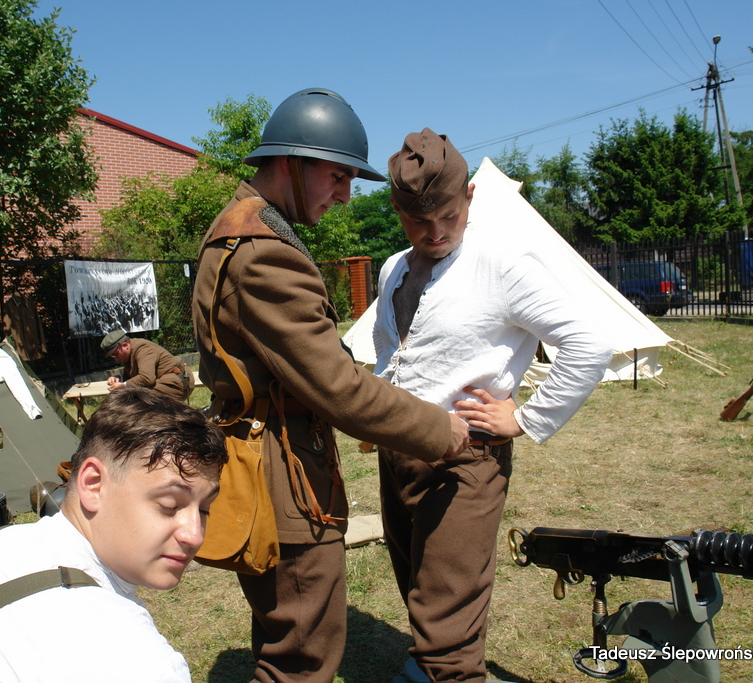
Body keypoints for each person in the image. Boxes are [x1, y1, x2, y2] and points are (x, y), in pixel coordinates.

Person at [191, 89, 470, 683]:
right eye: (337, 175)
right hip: (284, 477)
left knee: (286, 636)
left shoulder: (242, 228)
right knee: (300, 656)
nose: (345, 194)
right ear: (289, 162)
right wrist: (438, 428)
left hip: (272, 457)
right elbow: (337, 386)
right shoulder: (265, 253)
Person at [373, 129, 612, 682]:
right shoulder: (392, 269)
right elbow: (389, 347)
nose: (436, 232)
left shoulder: (503, 264)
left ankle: (448, 672)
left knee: (447, 602)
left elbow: (588, 343)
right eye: (419, 221)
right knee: (417, 582)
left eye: (449, 216)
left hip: (465, 458)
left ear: (470, 197)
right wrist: (381, 408)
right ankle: (429, 667)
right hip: (398, 452)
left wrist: (526, 418)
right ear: (398, 211)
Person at [0, 388, 227, 682]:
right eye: (169, 504)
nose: (195, 535)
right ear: (93, 484)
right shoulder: (139, 660)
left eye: (205, 509)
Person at [102, 328, 193, 402]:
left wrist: (124, 385)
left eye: (115, 354)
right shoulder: (128, 354)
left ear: (125, 345)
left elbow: (147, 378)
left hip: (179, 381)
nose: (115, 358)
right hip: (164, 380)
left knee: (138, 398)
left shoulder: (142, 349)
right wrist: (120, 378)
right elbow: (133, 377)